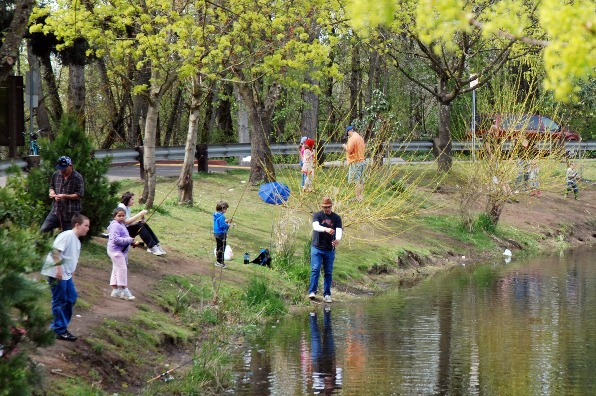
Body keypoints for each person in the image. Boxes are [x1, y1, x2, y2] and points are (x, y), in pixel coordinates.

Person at [41, 214, 90, 341]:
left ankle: (60, 327)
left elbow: (70, 258)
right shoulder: (67, 235)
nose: (88, 228)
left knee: (71, 298)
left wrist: (70, 272)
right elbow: (55, 251)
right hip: (57, 273)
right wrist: (58, 268)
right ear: (77, 225)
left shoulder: (76, 240)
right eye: (86, 225)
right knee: (60, 299)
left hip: (66, 275)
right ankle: (58, 329)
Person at [308, 197, 342, 303]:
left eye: (328, 207)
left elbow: (339, 230)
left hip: (329, 249)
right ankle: (312, 292)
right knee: (315, 269)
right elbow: (315, 227)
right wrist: (326, 229)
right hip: (317, 247)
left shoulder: (336, 218)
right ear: (321, 207)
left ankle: (327, 294)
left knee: (328, 272)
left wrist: (337, 240)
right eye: (324, 207)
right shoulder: (317, 215)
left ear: (331, 206)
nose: (326, 209)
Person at [40, 156, 85, 233]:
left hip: (70, 213)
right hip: (56, 210)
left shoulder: (78, 177)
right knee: (43, 229)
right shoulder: (56, 174)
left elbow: (79, 195)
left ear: (70, 166)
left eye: (64, 168)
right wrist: (52, 192)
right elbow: (51, 186)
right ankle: (48, 243)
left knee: (69, 235)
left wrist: (64, 196)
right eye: (60, 168)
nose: (61, 170)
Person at [107, 207, 139, 300]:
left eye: (123, 216)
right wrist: (128, 240)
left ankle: (115, 291)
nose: (121, 217)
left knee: (116, 268)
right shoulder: (115, 225)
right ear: (114, 216)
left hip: (120, 251)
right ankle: (124, 290)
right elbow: (116, 240)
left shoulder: (121, 224)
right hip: (115, 250)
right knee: (122, 268)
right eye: (119, 216)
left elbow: (124, 237)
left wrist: (131, 242)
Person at [342, 126, 366, 201]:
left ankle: (358, 198)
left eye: (348, 133)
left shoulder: (352, 139)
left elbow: (349, 150)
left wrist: (344, 146)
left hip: (355, 162)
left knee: (356, 181)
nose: (348, 135)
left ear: (350, 131)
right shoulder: (360, 138)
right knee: (361, 180)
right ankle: (360, 197)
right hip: (362, 161)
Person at [213, 201, 232, 268]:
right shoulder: (222, 216)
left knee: (219, 247)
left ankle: (218, 261)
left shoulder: (216, 214)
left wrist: (225, 221)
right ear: (223, 209)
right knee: (222, 248)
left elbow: (219, 222)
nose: (226, 210)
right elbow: (222, 226)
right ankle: (220, 262)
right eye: (226, 209)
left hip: (216, 233)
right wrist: (228, 225)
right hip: (221, 234)